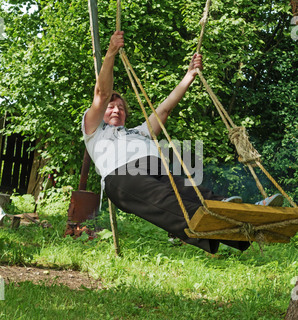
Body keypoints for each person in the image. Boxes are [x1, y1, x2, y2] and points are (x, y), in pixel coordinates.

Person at [82, 31, 283, 254]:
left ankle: (243, 215)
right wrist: (111, 53)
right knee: (168, 201)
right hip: (122, 176)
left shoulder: (138, 132)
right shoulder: (94, 131)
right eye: (111, 107)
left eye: (120, 107)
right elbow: (101, 92)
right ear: (101, 112)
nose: (116, 109)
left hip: (155, 170)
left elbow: (165, 108)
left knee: (194, 192)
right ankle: (219, 223)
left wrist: (189, 76)